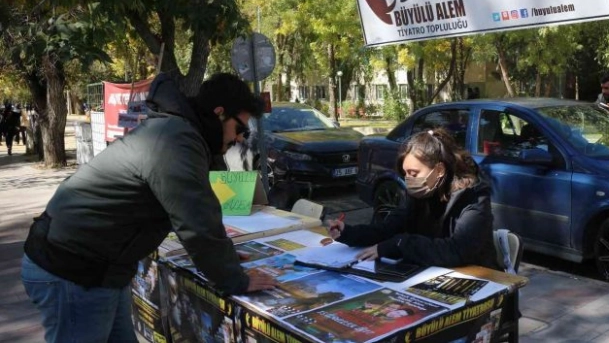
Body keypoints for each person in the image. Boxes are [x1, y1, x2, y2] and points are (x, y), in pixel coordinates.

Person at [22, 72, 278, 342]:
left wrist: (223, 257)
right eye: (241, 129)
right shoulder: (177, 140)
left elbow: (199, 213)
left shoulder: (180, 133)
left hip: (99, 269)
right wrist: (235, 279)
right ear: (219, 113)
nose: (240, 139)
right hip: (72, 270)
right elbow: (195, 222)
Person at [328, 128, 497, 269]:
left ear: (439, 170)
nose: (408, 179)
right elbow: (387, 230)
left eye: (414, 173)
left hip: (481, 286)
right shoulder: (420, 194)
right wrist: (348, 232)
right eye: (405, 173)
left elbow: (457, 251)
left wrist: (401, 244)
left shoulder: (473, 197)